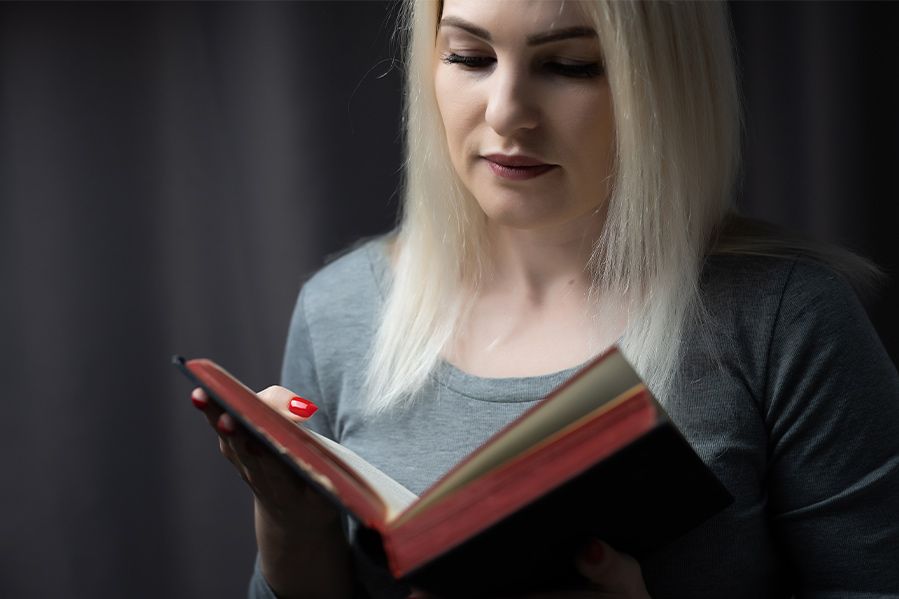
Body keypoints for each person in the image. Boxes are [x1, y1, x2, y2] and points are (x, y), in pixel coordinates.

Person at [191, 0, 899, 597]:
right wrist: (291, 523)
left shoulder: (787, 319)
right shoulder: (338, 309)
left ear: (664, 80)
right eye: (468, 57)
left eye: (568, 66)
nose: (506, 113)